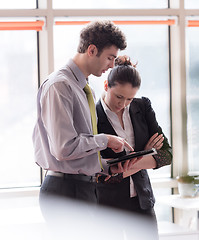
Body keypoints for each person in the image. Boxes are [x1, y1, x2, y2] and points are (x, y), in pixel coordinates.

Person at [32, 20, 135, 216]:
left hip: (83, 189)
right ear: (92, 50)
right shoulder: (60, 86)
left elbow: (79, 153)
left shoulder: (85, 89)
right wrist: (106, 140)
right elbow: (63, 149)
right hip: (65, 192)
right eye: (110, 58)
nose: (112, 65)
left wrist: (108, 168)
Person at [96, 55, 172, 238]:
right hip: (107, 207)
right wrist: (145, 155)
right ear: (106, 86)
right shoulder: (93, 115)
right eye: (119, 97)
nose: (123, 104)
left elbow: (167, 155)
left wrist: (127, 162)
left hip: (142, 203)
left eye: (129, 99)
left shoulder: (142, 107)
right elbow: (100, 174)